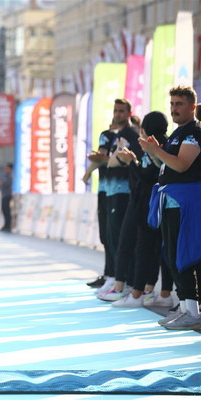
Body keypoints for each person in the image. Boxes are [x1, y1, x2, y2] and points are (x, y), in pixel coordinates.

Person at [143, 85, 201, 330]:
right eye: (172, 104)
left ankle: (193, 312)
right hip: (170, 200)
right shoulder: (179, 133)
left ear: (192, 107)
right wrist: (153, 153)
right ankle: (186, 308)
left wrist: (156, 150)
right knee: (172, 256)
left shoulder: (194, 132)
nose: (174, 108)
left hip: (186, 202)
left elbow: (181, 165)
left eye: (179, 104)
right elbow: (166, 166)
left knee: (185, 255)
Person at [109, 111, 174, 308]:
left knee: (147, 249)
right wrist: (136, 161)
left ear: (145, 128)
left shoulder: (157, 145)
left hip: (152, 205)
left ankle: (138, 293)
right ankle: (160, 293)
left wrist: (132, 162)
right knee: (160, 250)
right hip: (156, 204)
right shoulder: (163, 144)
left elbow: (147, 177)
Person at [95, 99, 142, 300]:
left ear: (129, 113)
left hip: (124, 191)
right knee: (112, 236)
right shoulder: (117, 135)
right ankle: (115, 278)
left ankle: (126, 282)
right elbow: (112, 160)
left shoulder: (131, 135)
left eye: (122, 111)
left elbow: (130, 161)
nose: (118, 114)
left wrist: (109, 160)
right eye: (116, 110)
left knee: (122, 238)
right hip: (111, 190)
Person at [82, 127, 116, 288]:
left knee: (111, 236)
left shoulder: (109, 135)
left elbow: (101, 158)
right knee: (108, 236)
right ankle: (110, 274)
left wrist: (88, 172)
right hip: (109, 189)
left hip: (112, 190)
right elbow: (102, 158)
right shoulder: (114, 135)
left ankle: (115, 276)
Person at [0, 162, 13, 232]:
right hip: (4, 195)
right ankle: (5, 225)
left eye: (7, 168)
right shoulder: (5, 175)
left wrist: (2, 182)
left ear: (10, 169)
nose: (5, 169)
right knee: (4, 210)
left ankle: (8, 226)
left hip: (8, 195)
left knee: (7, 211)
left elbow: (6, 183)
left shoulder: (10, 176)